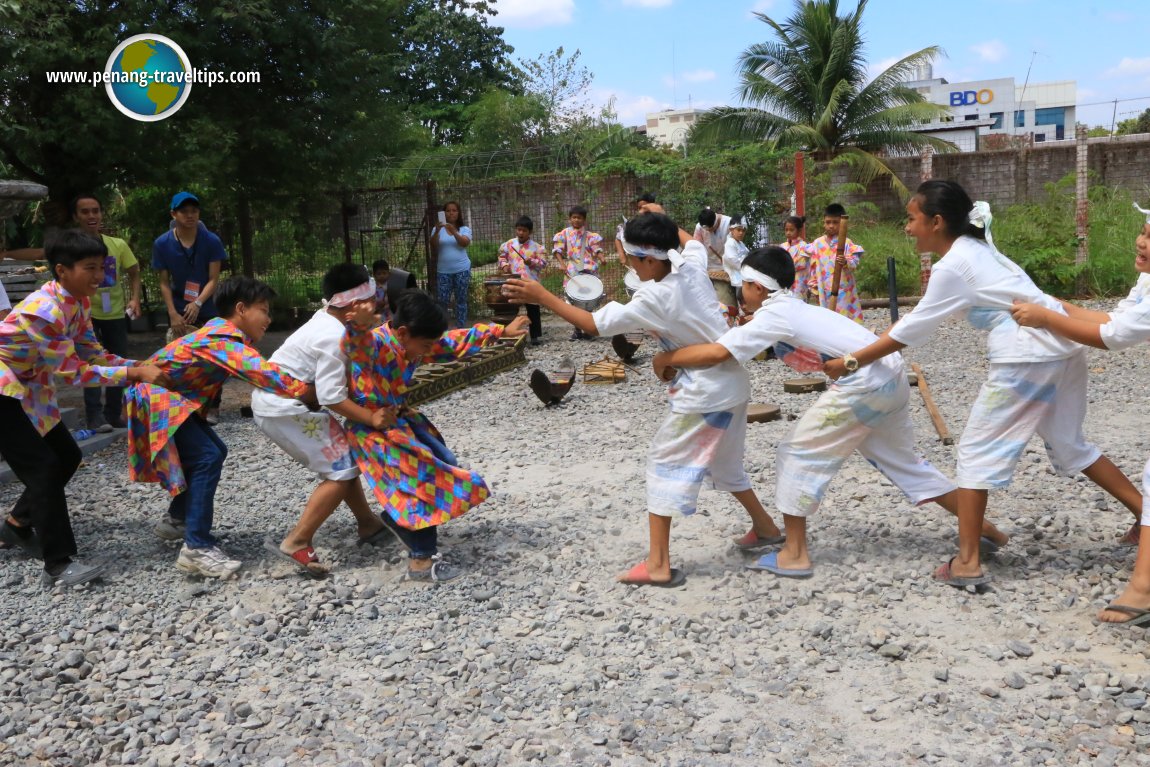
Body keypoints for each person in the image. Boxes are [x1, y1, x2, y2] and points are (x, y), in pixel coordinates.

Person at [823, 180, 1143, 588]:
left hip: (1026, 355)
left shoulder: (953, 265)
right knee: (1068, 442)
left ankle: (968, 562)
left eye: (911, 218)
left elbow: (912, 330)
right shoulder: (979, 250)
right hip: (1062, 347)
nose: (907, 227)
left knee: (975, 451)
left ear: (936, 222)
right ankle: (1143, 515)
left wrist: (851, 361)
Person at [652, 245, 1007, 578]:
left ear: (756, 287)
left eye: (741, 287)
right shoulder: (791, 307)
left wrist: (667, 358)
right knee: (905, 464)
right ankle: (984, 530)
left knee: (796, 452)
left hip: (865, 383)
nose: (739, 294)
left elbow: (717, 354)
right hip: (890, 375)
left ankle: (794, 553)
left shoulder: (775, 316)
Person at [506, 205, 784, 587]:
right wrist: (665, 217)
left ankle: (658, 564)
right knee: (724, 463)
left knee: (663, 464)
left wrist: (541, 295)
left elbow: (592, 323)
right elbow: (688, 243)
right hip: (732, 386)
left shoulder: (653, 298)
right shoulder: (689, 264)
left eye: (633, 258)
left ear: (649, 259)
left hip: (704, 393)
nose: (631, 265)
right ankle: (766, 528)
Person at [0, 229, 167, 587]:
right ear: (62, 270)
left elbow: (92, 353)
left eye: (103, 266)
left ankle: (16, 525)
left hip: (27, 385)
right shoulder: (43, 311)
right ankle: (58, 565)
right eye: (90, 268)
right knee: (43, 467)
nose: (100, 276)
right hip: (3, 390)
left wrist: (135, 364)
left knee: (66, 455)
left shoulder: (77, 302)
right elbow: (73, 372)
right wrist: (134, 372)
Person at [1009, 211, 1150, 625]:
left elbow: (1114, 337)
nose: (1142, 242)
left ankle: (1142, 588)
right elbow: (1113, 319)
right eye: (1143, 231)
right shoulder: (1147, 279)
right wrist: (1053, 305)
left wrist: (1047, 317)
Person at [126, 276, 316, 578]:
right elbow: (264, 373)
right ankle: (196, 548)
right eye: (264, 310)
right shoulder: (223, 340)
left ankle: (178, 519)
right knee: (206, 456)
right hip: (159, 398)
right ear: (241, 309)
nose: (269, 318)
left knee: (214, 449)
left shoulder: (223, 337)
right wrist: (308, 391)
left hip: (170, 399)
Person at [341, 291, 530, 582]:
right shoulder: (376, 344)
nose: (429, 350)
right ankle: (421, 561)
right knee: (423, 479)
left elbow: (452, 343)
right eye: (425, 345)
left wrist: (500, 330)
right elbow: (357, 347)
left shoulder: (415, 343)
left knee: (446, 460)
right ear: (402, 332)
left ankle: (396, 517)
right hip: (372, 427)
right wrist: (358, 326)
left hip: (399, 417)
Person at [251, 264, 393, 576]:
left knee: (344, 459)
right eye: (373, 301)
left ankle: (368, 523)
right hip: (283, 407)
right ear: (355, 306)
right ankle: (297, 540)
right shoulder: (335, 337)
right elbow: (331, 397)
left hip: (285, 402)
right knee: (340, 470)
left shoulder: (327, 319)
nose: (379, 306)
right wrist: (370, 418)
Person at [152, 191, 228, 424]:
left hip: (207, 307)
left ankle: (213, 405)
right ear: (174, 214)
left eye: (194, 211)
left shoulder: (211, 240)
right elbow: (164, 282)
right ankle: (186, 405)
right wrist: (173, 313)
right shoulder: (162, 243)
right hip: (178, 309)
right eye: (184, 211)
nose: (190, 215)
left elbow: (213, 279)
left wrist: (198, 302)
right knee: (181, 359)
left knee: (213, 359)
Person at [72, 193, 142, 431]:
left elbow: (134, 271)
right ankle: (94, 416)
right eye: (85, 211)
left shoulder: (117, 245)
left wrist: (135, 299)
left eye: (95, 210)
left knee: (116, 361)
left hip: (114, 314)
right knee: (90, 361)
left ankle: (114, 413)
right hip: (86, 316)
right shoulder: (72, 248)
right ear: (76, 216)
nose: (91, 216)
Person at [803, 203, 864, 323]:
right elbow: (813, 266)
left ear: (843, 223)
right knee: (827, 318)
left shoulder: (846, 242)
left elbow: (855, 262)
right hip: (824, 287)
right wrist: (813, 284)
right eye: (828, 222)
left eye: (835, 222)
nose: (831, 226)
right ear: (823, 222)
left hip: (843, 288)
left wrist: (846, 261)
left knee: (844, 317)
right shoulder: (817, 243)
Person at [552, 204, 604, 340]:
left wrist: (601, 258)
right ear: (570, 219)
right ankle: (577, 331)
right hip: (572, 271)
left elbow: (596, 249)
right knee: (574, 301)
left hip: (588, 271)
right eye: (574, 217)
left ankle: (588, 330)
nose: (576, 220)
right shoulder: (564, 234)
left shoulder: (590, 236)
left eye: (579, 218)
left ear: (584, 220)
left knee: (588, 301)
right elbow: (557, 250)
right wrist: (562, 264)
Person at [497, 215, 547, 344]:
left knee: (533, 309)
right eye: (518, 230)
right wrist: (505, 266)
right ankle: (510, 334)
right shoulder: (509, 244)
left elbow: (543, 263)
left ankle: (535, 336)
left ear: (530, 232)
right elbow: (501, 257)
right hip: (513, 282)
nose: (521, 233)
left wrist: (532, 262)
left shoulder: (537, 247)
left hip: (530, 283)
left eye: (524, 230)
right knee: (511, 309)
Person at [432, 201, 472, 328]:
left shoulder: (464, 229)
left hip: (462, 270)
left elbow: (464, 243)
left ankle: (461, 328)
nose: (451, 213)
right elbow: (433, 245)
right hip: (443, 271)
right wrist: (437, 231)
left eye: (454, 210)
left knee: (461, 300)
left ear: (458, 213)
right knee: (442, 301)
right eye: (448, 211)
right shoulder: (437, 229)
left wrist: (454, 231)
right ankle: (442, 329)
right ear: (444, 213)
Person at [721, 215, 749, 320]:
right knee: (742, 297)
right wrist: (747, 265)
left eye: (743, 230)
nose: (741, 233)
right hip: (737, 273)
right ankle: (742, 315)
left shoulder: (740, 243)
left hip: (744, 270)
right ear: (731, 230)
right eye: (738, 230)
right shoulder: (729, 244)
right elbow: (733, 261)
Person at [779, 215, 809, 300]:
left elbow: (801, 263)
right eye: (786, 230)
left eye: (791, 230)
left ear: (799, 231)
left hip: (799, 280)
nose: (788, 232)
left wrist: (784, 266)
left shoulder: (803, 246)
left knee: (798, 301)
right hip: (785, 280)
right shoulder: (782, 246)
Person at [693, 207, 732, 272]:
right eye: (707, 230)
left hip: (727, 265)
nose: (709, 231)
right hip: (708, 266)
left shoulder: (729, 223)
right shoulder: (699, 227)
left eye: (712, 228)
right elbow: (696, 247)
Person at [372, 259, 392, 323]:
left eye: (384, 273)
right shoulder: (373, 287)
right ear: (374, 275)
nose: (382, 276)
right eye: (379, 274)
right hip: (378, 315)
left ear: (388, 273)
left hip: (389, 314)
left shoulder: (391, 285)